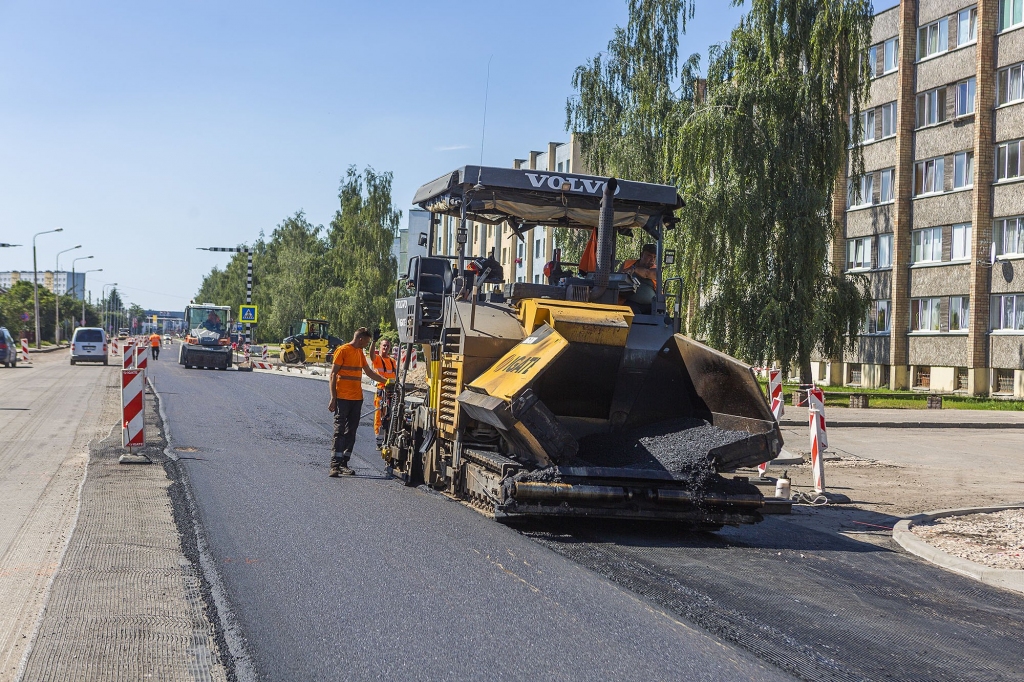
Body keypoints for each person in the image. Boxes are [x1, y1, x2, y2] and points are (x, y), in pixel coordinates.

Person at [328, 327, 389, 477]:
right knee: (339, 431)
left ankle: (344, 463)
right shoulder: (343, 350)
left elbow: (368, 372)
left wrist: (387, 381)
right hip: (342, 398)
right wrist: (333, 398)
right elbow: (333, 375)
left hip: (357, 398)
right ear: (360, 339)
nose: (367, 344)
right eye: (367, 341)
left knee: (351, 432)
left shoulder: (359, 353)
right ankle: (334, 465)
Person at [370, 338, 398, 444]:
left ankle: (389, 437)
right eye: (384, 345)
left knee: (391, 415)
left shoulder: (392, 361)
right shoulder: (377, 359)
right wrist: (373, 342)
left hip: (392, 392)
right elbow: (372, 354)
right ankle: (379, 439)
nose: (385, 348)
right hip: (381, 391)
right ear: (380, 347)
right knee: (379, 415)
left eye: (387, 346)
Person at [620, 243, 658, 313]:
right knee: (633, 313)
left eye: (654, 257)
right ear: (642, 254)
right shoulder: (627, 264)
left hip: (651, 305)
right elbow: (618, 278)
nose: (652, 259)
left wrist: (634, 269)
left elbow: (647, 273)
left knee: (663, 317)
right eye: (649, 256)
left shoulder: (656, 270)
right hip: (629, 302)